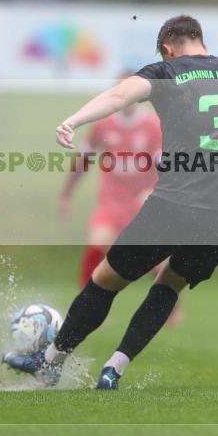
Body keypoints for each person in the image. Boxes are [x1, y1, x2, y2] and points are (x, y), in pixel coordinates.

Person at [3, 15, 218, 389]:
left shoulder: (167, 72)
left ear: (167, 49)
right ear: (201, 40)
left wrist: (74, 119)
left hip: (175, 206)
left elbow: (119, 96)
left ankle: (50, 362)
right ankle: (113, 369)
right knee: (169, 285)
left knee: (104, 281)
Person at [59, 78, 185, 325]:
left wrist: (156, 189)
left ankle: (172, 307)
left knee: (157, 265)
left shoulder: (152, 126)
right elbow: (83, 161)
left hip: (142, 204)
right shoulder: (103, 125)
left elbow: (166, 164)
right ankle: (83, 309)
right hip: (111, 203)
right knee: (97, 242)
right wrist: (66, 195)